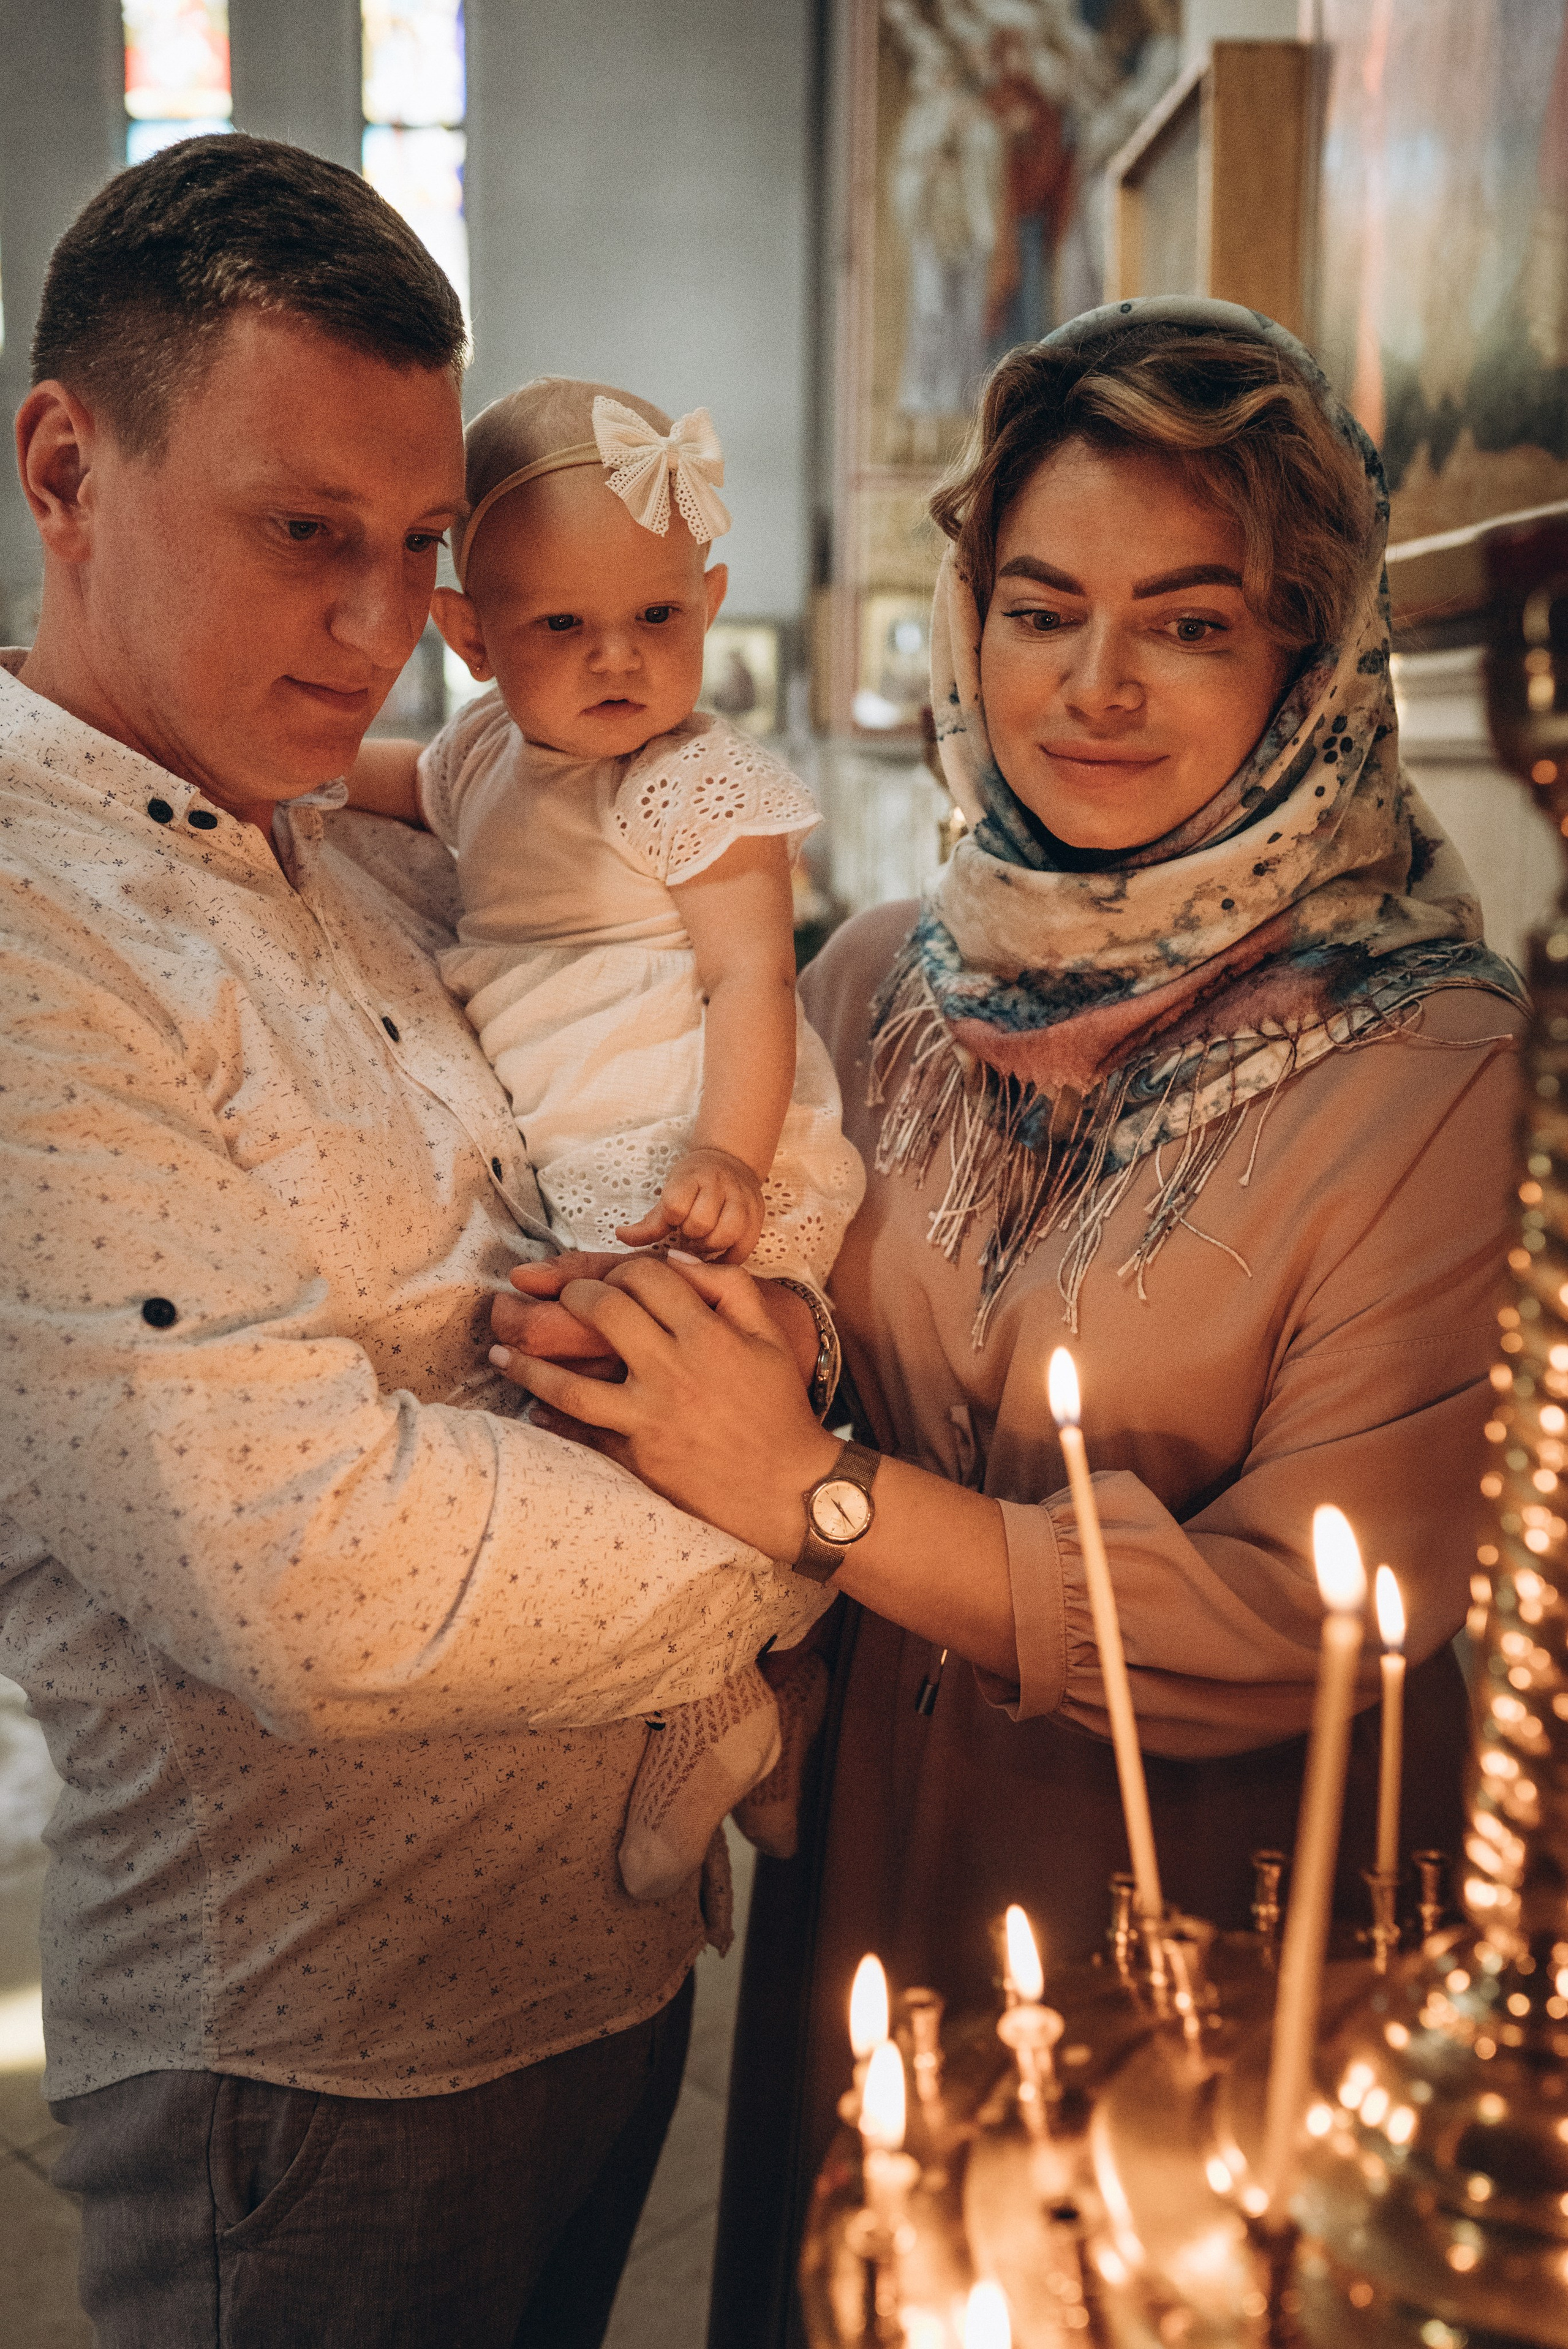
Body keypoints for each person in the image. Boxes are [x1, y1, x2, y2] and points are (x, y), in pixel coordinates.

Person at [485, 299, 1526, 2349]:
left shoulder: (1440, 1068)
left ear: (1309, 655)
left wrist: (824, 1494)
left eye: (1194, 622)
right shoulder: (878, 979)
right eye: (1042, 609)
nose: (1098, 688)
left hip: (1211, 1953)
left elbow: (1307, 1618)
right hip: (873, 1896)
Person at [0, 134, 829, 2349]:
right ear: (66, 466)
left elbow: (640, 1012)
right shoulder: (34, 928)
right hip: (315, 2059)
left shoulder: (339, 838)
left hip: (594, 1968)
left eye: (418, 555)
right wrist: (816, 1521)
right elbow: (310, 1567)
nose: (380, 632)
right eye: (302, 537)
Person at [345, 374, 864, 1902]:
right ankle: (780, 1667)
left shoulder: (696, 781)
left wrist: (729, 1157)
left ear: (707, 601)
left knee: (614, 1398)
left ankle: (721, 1694)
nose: (619, 661)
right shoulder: (482, 761)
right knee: (559, 1374)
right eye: (560, 630)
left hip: (698, 1155)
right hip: (589, 1173)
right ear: (469, 641)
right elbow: (351, 785)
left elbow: (747, 973)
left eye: (655, 618)